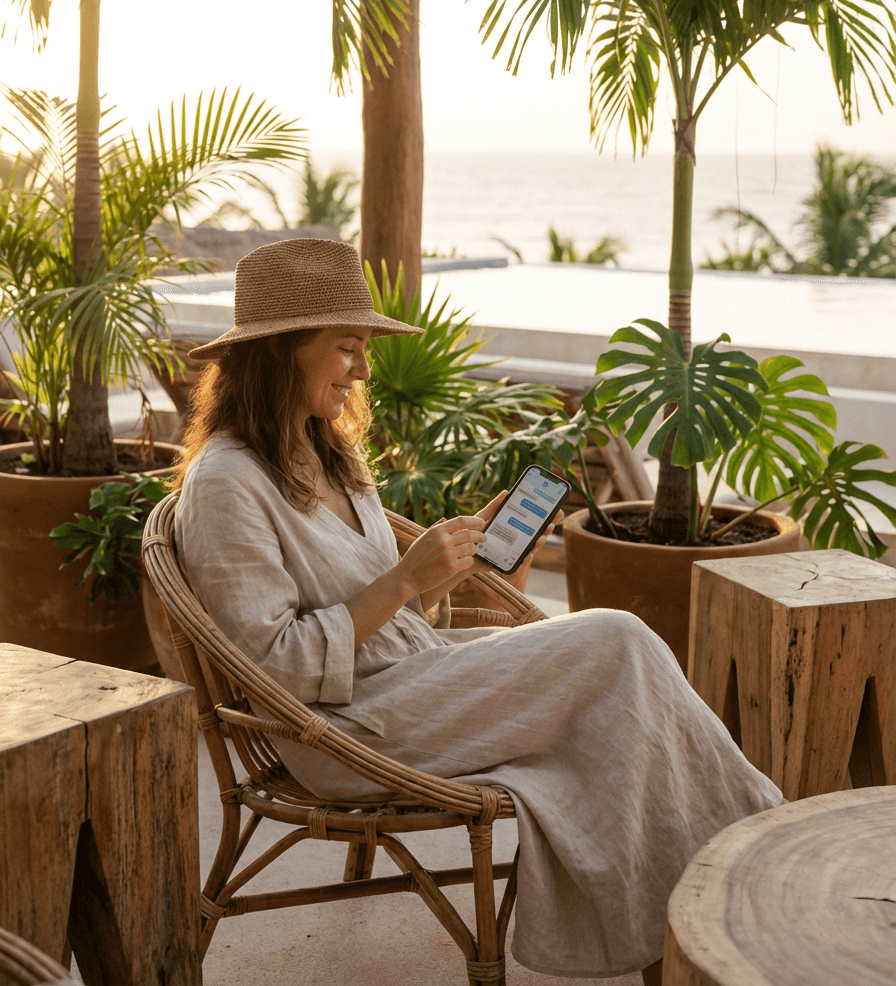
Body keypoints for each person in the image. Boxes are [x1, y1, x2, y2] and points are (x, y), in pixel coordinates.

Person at [174, 238, 782, 983]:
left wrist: (450, 575)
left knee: (620, 692)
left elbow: (395, 619)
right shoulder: (226, 485)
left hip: (410, 684)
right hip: (341, 731)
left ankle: (694, 905)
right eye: (347, 347)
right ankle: (752, 858)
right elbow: (276, 668)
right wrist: (403, 580)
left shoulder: (324, 452)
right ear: (280, 352)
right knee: (617, 642)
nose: (364, 369)